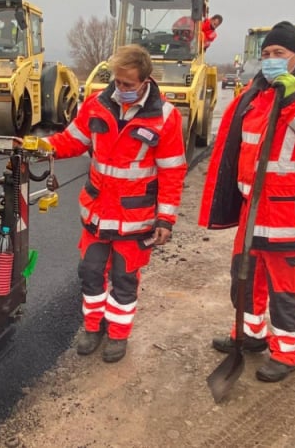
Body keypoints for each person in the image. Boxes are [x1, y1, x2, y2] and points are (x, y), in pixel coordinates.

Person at [199, 21, 295, 382]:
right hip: (252, 211)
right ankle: (250, 334)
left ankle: (287, 352)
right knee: (244, 281)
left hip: (289, 215)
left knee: (286, 292)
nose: (271, 60)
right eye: (267, 54)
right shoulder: (258, 92)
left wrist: (291, 99)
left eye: (280, 54)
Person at [40, 45, 187, 363]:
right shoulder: (97, 105)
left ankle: (118, 335)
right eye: (117, 82)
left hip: (136, 218)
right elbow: (72, 140)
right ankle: (93, 328)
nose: (121, 89)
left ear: (145, 81)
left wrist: (166, 219)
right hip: (96, 213)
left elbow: (173, 171)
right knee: (90, 272)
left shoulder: (165, 117)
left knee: (124, 279)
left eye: (128, 85)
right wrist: (42, 147)